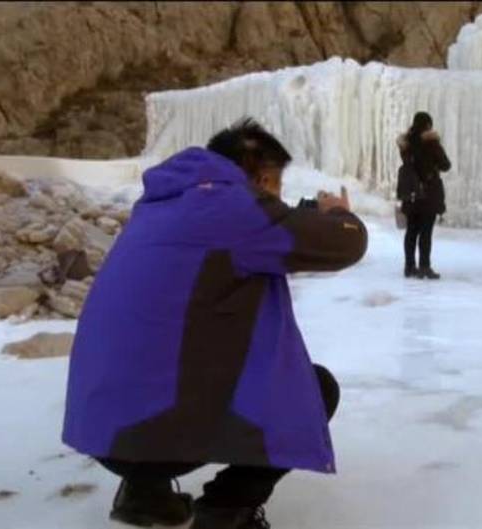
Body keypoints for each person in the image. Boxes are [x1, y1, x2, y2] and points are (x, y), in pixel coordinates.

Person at [62, 118, 368, 529]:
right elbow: (344, 243)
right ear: (261, 177)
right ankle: (227, 510)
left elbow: (241, 240)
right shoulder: (232, 208)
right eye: (277, 186)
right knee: (314, 388)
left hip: (107, 430)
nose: (278, 198)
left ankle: (143, 495)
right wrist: (338, 215)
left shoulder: (162, 205)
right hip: (156, 430)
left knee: (182, 356)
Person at [396, 111, 451, 280]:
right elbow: (445, 165)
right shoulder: (431, 143)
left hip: (411, 194)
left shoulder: (406, 145)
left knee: (411, 231)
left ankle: (409, 266)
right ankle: (425, 267)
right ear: (428, 125)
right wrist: (436, 145)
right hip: (428, 193)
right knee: (426, 232)